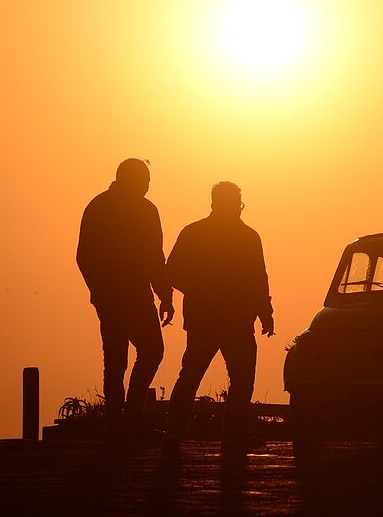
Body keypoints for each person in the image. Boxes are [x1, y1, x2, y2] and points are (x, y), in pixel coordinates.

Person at [163, 182, 274, 451]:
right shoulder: (246, 236)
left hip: (212, 317)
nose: (238, 205)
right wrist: (264, 312)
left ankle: (178, 433)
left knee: (199, 375)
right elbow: (174, 271)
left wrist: (264, 311)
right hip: (227, 318)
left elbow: (258, 278)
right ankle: (227, 433)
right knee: (232, 377)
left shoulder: (197, 233)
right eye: (236, 200)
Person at [76, 158, 174, 437]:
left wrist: (164, 295)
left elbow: (155, 257)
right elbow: (85, 257)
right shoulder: (100, 208)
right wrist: (100, 293)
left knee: (149, 352)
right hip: (114, 297)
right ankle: (119, 422)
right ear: (129, 180)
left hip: (137, 295)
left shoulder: (146, 210)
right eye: (144, 181)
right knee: (117, 359)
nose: (148, 186)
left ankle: (129, 417)